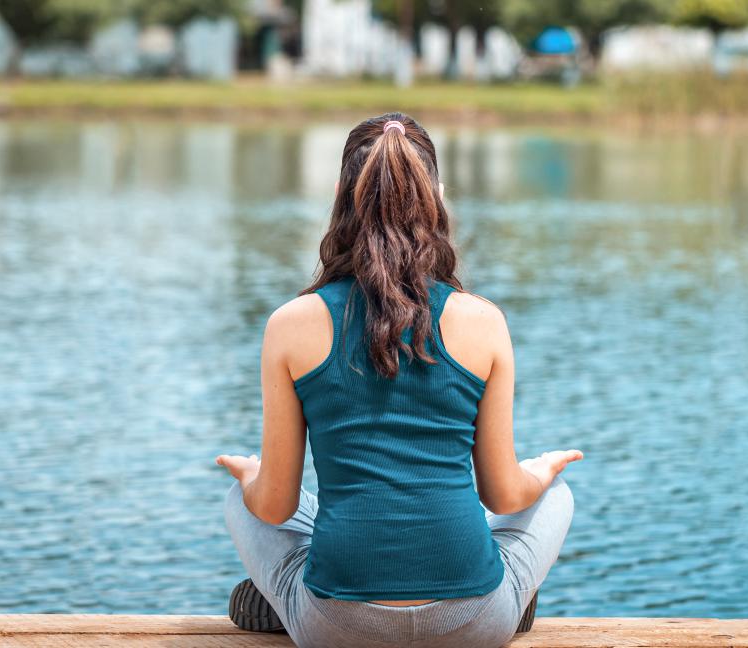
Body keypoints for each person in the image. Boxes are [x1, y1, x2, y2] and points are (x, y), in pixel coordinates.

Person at [214, 113, 584, 648]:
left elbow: (274, 506)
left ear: (341, 193)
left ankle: (284, 600)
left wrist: (251, 477)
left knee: (244, 498)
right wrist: (543, 472)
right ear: (437, 196)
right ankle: (508, 599)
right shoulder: (482, 321)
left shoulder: (290, 325)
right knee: (555, 493)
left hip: (335, 627)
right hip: (471, 623)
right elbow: (503, 495)